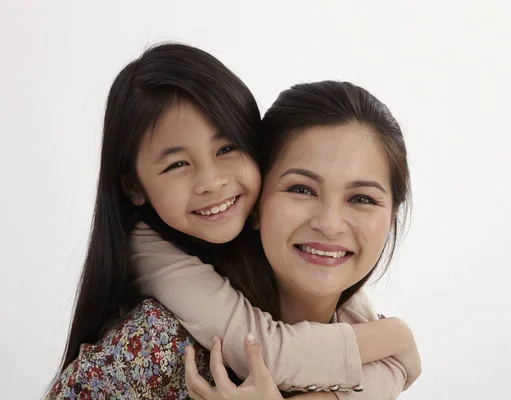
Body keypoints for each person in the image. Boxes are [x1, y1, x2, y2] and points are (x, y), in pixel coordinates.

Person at [48, 44, 419, 399]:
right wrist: (399, 339)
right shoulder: (159, 339)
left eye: (362, 198)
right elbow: (272, 352)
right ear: (263, 200)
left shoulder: (357, 328)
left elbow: (388, 368)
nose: (330, 223)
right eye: (302, 190)